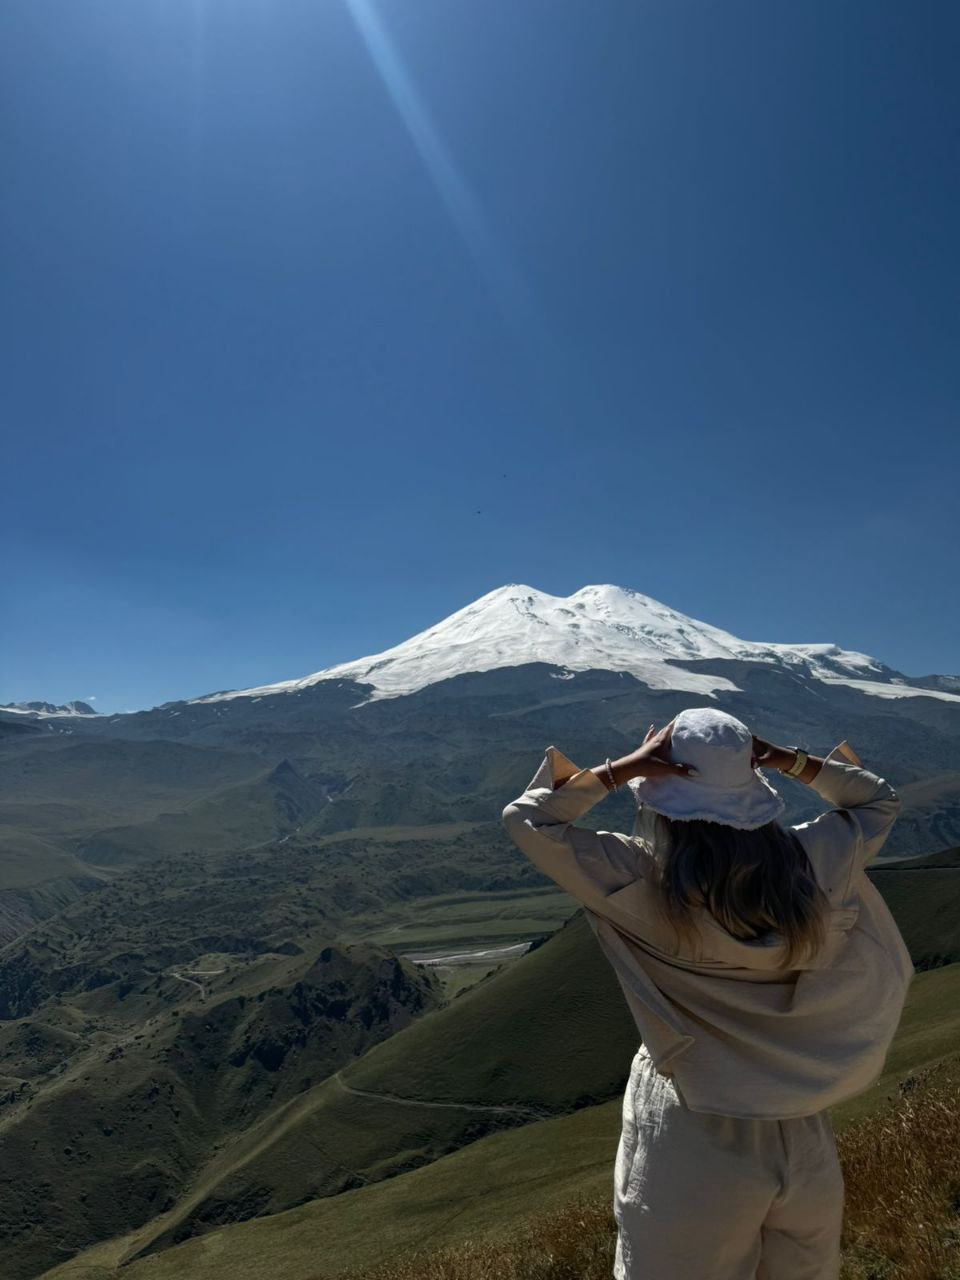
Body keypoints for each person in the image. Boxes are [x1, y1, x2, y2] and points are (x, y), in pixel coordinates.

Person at [501, 706, 914, 1280]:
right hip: (801, 1123)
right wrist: (785, 759)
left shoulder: (638, 878)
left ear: (661, 790)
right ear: (755, 782)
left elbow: (528, 820)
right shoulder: (815, 865)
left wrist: (626, 768)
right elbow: (878, 802)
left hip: (692, 1126)